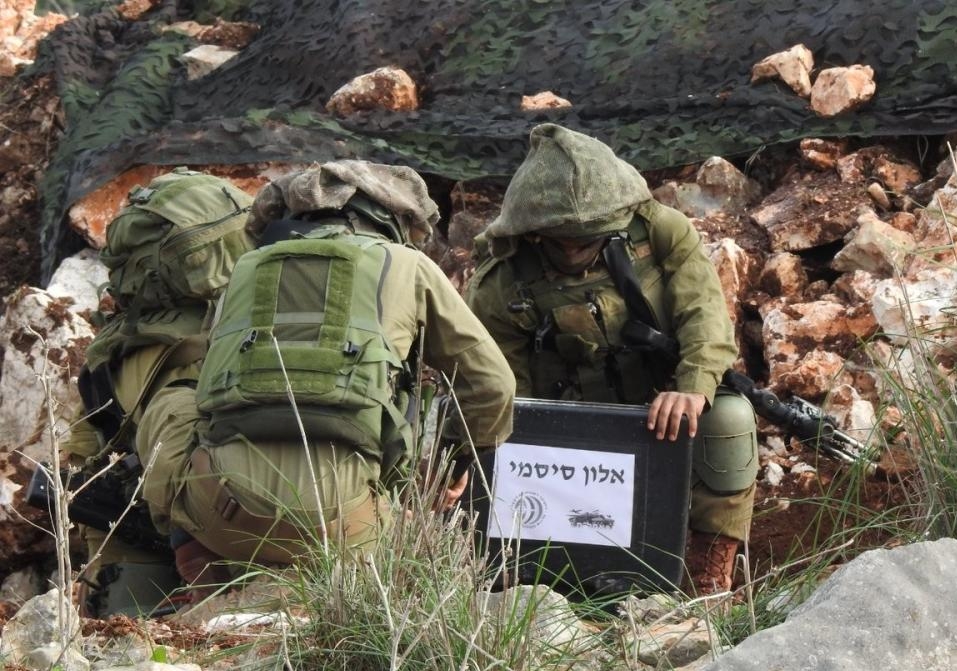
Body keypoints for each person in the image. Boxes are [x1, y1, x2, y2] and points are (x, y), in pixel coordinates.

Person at [134, 161, 516, 598]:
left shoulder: (244, 269)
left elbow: (209, 391)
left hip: (226, 519)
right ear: (390, 219)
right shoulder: (407, 265)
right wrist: (450, 469)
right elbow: (492, 385)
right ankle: (383, 525)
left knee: (175, 398)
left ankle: (194, 547)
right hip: (350, 532)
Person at [465, 124, 759, 595]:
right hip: (565, 425)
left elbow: (704, 316)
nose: (575, 254)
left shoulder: (660, 232)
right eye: (561, 243)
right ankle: (539, 572)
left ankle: (708, 575)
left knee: (728, 418)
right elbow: (505, 396)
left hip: (658, 409)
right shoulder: (501, 283)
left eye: (588, 242)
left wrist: (692, 387)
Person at [60, 169, 257, 616]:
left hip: (142, 541)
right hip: (238, 527)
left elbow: (81, 457)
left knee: (126, 635)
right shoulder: (254, 329)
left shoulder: (116, 346)